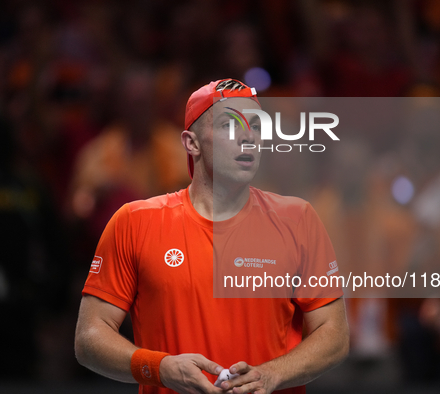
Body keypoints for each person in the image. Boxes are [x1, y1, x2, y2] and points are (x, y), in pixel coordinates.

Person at [74, 79, 349, 394]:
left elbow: (335, 334)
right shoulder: (134, 222)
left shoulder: (298, 219)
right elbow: (90, 336)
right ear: (192, 143)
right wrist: (160, 368)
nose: (248, 137)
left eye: (257, 126)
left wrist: (272, 374)